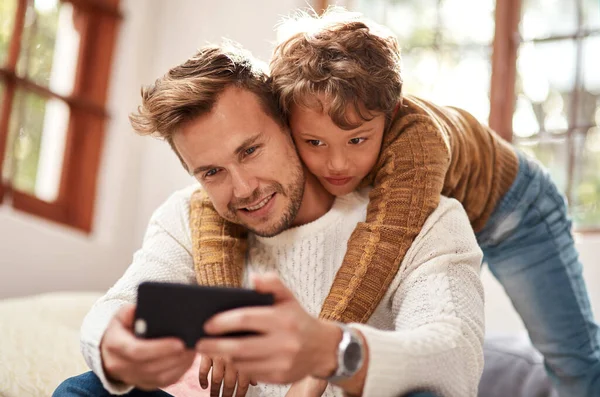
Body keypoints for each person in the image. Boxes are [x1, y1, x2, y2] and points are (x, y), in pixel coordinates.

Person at [194, 8, 600, 396]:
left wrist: (318, 368)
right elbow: (206, 202)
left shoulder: (416, 146)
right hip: (451, 212)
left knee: (571, 359)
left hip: (517, 211)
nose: (336, 163)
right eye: (314, 142)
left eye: (357, 140)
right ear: (288, 121)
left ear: (392, 112)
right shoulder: (293, 123)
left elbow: (381, 244)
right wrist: (223, 323)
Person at [53, 43, 484, 397]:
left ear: (290, 124)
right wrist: (113, 347)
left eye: (250, 151)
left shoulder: (427, 220)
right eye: (211, 172)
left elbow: (454, 355)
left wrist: (331, 351)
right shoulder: (186, 218)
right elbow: (120, 304)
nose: (242, 189)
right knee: (87, 390)